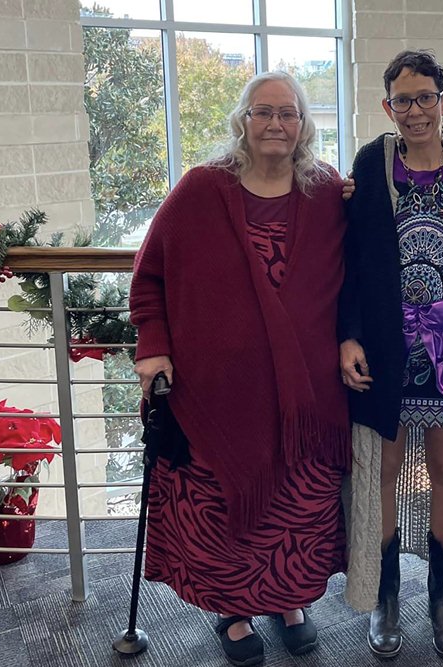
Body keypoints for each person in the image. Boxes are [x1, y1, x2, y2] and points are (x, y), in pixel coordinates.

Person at [130, 71, 350, 667]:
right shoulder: (202, 189)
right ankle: (235, 611)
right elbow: (149, 275)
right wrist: (153, 347)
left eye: (288, 113)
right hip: (217, 392)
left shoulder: (327, 191)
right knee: (226, 504)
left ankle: (290, 601)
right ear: (242, 121)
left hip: (306, 397)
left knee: (298, 506)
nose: (276, 123)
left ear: (303, 125)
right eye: (263, 112)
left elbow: (362, 267)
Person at [339, 50, 443, 659]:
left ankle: (441, 599)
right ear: (388, 108)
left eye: (425, 97)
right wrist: (348, 334)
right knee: (380, 477)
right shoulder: (371, 163)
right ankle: (386, 600)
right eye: (402, 101)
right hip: (386, 352)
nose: (415, 111)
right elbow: (351, 259)